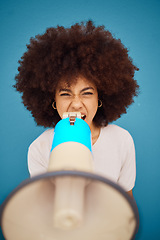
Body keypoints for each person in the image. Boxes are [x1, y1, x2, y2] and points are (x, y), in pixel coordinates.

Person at [14, 20, 139, 198]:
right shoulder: (39, 148)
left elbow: (127, 202)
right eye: (66, 94)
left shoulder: (122, 140)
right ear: (53, 101)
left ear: (100, 98)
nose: (76, 103)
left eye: (86, 93)